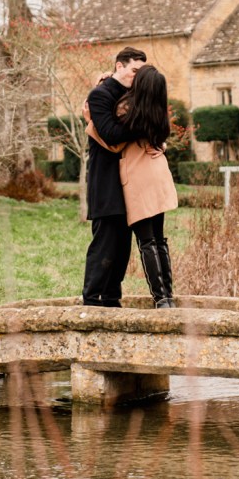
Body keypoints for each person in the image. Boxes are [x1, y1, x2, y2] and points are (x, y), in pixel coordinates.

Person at [88, 64, 178, 308]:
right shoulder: (157, 110)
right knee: (159, 239)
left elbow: (113, 142)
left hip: (139, 178)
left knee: (147, 241)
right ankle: (168, 296)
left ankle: (161, 299)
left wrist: (90, 124)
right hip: (158, 173)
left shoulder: (128, 109)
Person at [82, 46, 148, 307]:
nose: (137, 76)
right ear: (119, 66)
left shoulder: (133, 95)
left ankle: (111, 299)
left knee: (122, 245)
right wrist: (142, 126)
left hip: (129, 179)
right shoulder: (100, 95)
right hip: (106, 180)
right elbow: (110, 133)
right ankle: (92, 299)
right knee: (105, 242)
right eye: (134, 70)